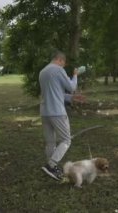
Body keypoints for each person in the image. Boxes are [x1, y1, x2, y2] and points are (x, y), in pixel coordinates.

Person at [39, 50, 85, 181]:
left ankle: (51, 167)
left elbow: (55, 93)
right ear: (60, 60)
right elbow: (71, 86)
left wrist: (72, 98)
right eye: (63, 64)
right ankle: (51, 165)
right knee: (66, 140)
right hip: (57, 112)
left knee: (50, 142)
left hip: (44, 112)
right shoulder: (58, 69)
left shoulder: (42, 72)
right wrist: (75, 75)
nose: (63, 66)